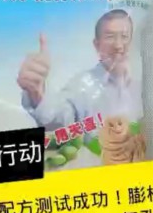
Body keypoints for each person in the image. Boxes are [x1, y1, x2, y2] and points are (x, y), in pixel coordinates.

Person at [17, 9, 143, 137]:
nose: (118, 45)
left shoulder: (144, 86)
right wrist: (37, 93)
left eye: (124, 36)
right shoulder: (82, 86)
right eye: (110, 37)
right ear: (97, 45)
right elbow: (58, 120)